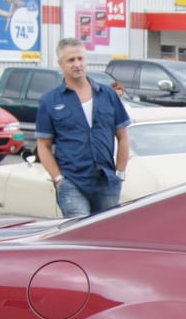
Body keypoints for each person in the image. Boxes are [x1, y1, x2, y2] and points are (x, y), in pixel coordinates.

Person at [36, 38, 130, 218]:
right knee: (80, 234)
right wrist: (58, 179)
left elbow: (123, 136)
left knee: (105, 234)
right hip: (71, 182)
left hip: (106, 180)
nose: (77, 64)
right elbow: (43, 145)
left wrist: (120, 173)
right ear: (60, 64)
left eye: (80, 59)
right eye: (71, 60)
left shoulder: (107, 95)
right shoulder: (50, 101)